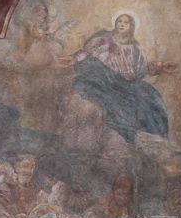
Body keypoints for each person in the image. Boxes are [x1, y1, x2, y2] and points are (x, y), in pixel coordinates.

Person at [62, 14, 175, 143]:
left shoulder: (134, 48)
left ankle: (156, 136)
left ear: (131, 26)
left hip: (126, 83)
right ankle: (134, 136)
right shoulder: (103, 39)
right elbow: (85, 53)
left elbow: (140, 71)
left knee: (151, 97)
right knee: (117, 103)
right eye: (119, 21)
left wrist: (159, 67)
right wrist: (73, 58)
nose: (121, 24)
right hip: (103, 79)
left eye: (126, 22)